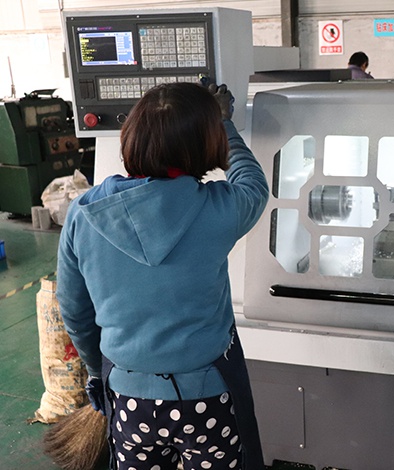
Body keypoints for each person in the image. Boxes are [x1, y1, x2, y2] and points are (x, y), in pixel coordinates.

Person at [57, 82, 269, 470]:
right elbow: (253, 183)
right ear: (205, 143)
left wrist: (96, 372)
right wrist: (225, 123)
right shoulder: (218, 209)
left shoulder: (83, 213)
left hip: (129, 400)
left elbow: (74, 311)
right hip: (208, 399)